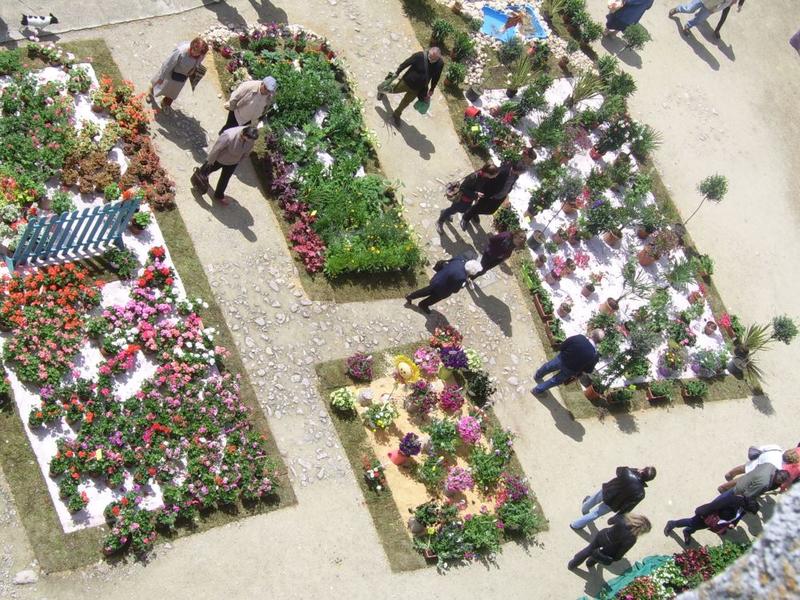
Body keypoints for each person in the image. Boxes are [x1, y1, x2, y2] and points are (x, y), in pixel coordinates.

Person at [570, 466, 657, 530]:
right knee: (596, 514)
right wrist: (617, 516)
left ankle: (585, 509)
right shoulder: (641, 493)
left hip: (608, 490)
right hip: (614, 504)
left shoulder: (628, 473)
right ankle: (576, 524)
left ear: (642, 471)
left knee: (593, 500)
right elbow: (628, 506)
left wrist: (635, 470)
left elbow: (619, 470)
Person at [191, 125, 259, 204]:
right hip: (219, 159)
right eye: (247, 139)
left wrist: (239, 161)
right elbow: (217, 149)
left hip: (233, 162)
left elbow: (247, 152)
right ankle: (196, 182)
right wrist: (210, 161)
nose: (249, 141)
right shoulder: (229, 135)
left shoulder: (251, 139)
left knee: (225, 178)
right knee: (205, 171)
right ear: (244, 133)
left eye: (250, 140)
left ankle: (218, 195)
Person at [378, 47, 444, 126]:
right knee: (393, 89)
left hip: (417, 89)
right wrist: (398, 72)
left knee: (406, 102)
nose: (431, 61)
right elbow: (406, 63)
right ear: (429, 52)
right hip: (406, 82)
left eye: (434, 60)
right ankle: (382, 90)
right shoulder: (419, 56)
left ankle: (397, 114)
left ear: (438, 58)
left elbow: (436, 77)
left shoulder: (440, 64)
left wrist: (432, 89)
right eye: (430, 57)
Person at [664, 492, 759, 544]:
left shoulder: (743, 510)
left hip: (713, 522)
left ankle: (687, 531)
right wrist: (702, 513)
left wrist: (732, 524)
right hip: (707, 515)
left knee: (698, 527)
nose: (748, 514)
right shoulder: (733, 501)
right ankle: (672, 523)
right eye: (749, 512)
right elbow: (715, 505)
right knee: (691, 522)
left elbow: (737, 518)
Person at [460, 160, 527, 231]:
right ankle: (465, 218)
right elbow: (489, 180)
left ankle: (473, 212)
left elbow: (510, 184)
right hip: (489, 194)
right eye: (521, 172)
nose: (521, 174)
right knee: (478, 206)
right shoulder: (503, 171)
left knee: (490, 211)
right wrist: (486, 194)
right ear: (518, 170)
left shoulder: (516, 175)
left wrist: (507, 192)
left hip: (500, 197)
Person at [568, 514, 651, 570]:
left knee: (588, 550)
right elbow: (620, 553)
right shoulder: (632, 539)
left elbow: (610, 521)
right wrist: (615, 559)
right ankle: (590, 564)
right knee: (598, 555)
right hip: (610, 549)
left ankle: (572, 564)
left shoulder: (623, 519)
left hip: (603, 536)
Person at [404, 256, 482, 314]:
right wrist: (462, 286)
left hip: (437, 279)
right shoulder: (462, 277)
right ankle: (423, 305)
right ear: (472, 272)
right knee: (434, 298)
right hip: (442, 290)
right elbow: (455, 290)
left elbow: (448, 262)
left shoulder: (459, 260)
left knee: (426, 290)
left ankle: (410, 296)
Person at [436, 163, 500, 234]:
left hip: (469, 199)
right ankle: (440, 221)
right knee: (453, 209)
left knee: (458, 209)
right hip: (462, 199)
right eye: (494, 175)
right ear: (487, 173)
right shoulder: (473, 177)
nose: (494, 177)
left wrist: (477, 196)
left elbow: (478, 187)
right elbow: (463, 188)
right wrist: (476, 194)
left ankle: (446, 213)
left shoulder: (484, 178)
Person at [149, 37, 209, 111]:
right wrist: (161, 77)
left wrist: (194, 69)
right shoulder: (181, 51)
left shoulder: (201, 54)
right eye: (196, 52)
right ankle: (150, 92)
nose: (197, 55)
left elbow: (199, 62)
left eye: (199, 53)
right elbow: (168, 64)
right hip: (171, 73)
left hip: (182, 76)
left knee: (173, 92)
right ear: (192, 47)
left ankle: (165, 103)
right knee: (160, 84)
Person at [531, 333, 601, 395]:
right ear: (599, 342)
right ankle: (537, 390)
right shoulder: (594, 355)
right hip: (571, 369)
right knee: (555, 381)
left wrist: (562, 350)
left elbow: (565, 344)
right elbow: (588, 370)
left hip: (562, 359)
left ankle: (537, 376)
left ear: (592, 334)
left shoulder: (580, 338)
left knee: (548, 367)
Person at [717, 444, 786, 493]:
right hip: (758, 469)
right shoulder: (780, 466)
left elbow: (761, 448)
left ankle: (729, 475)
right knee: (742, 479)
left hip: (756, 460)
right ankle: (724, 487)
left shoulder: (777, 448)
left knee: (743, 467)